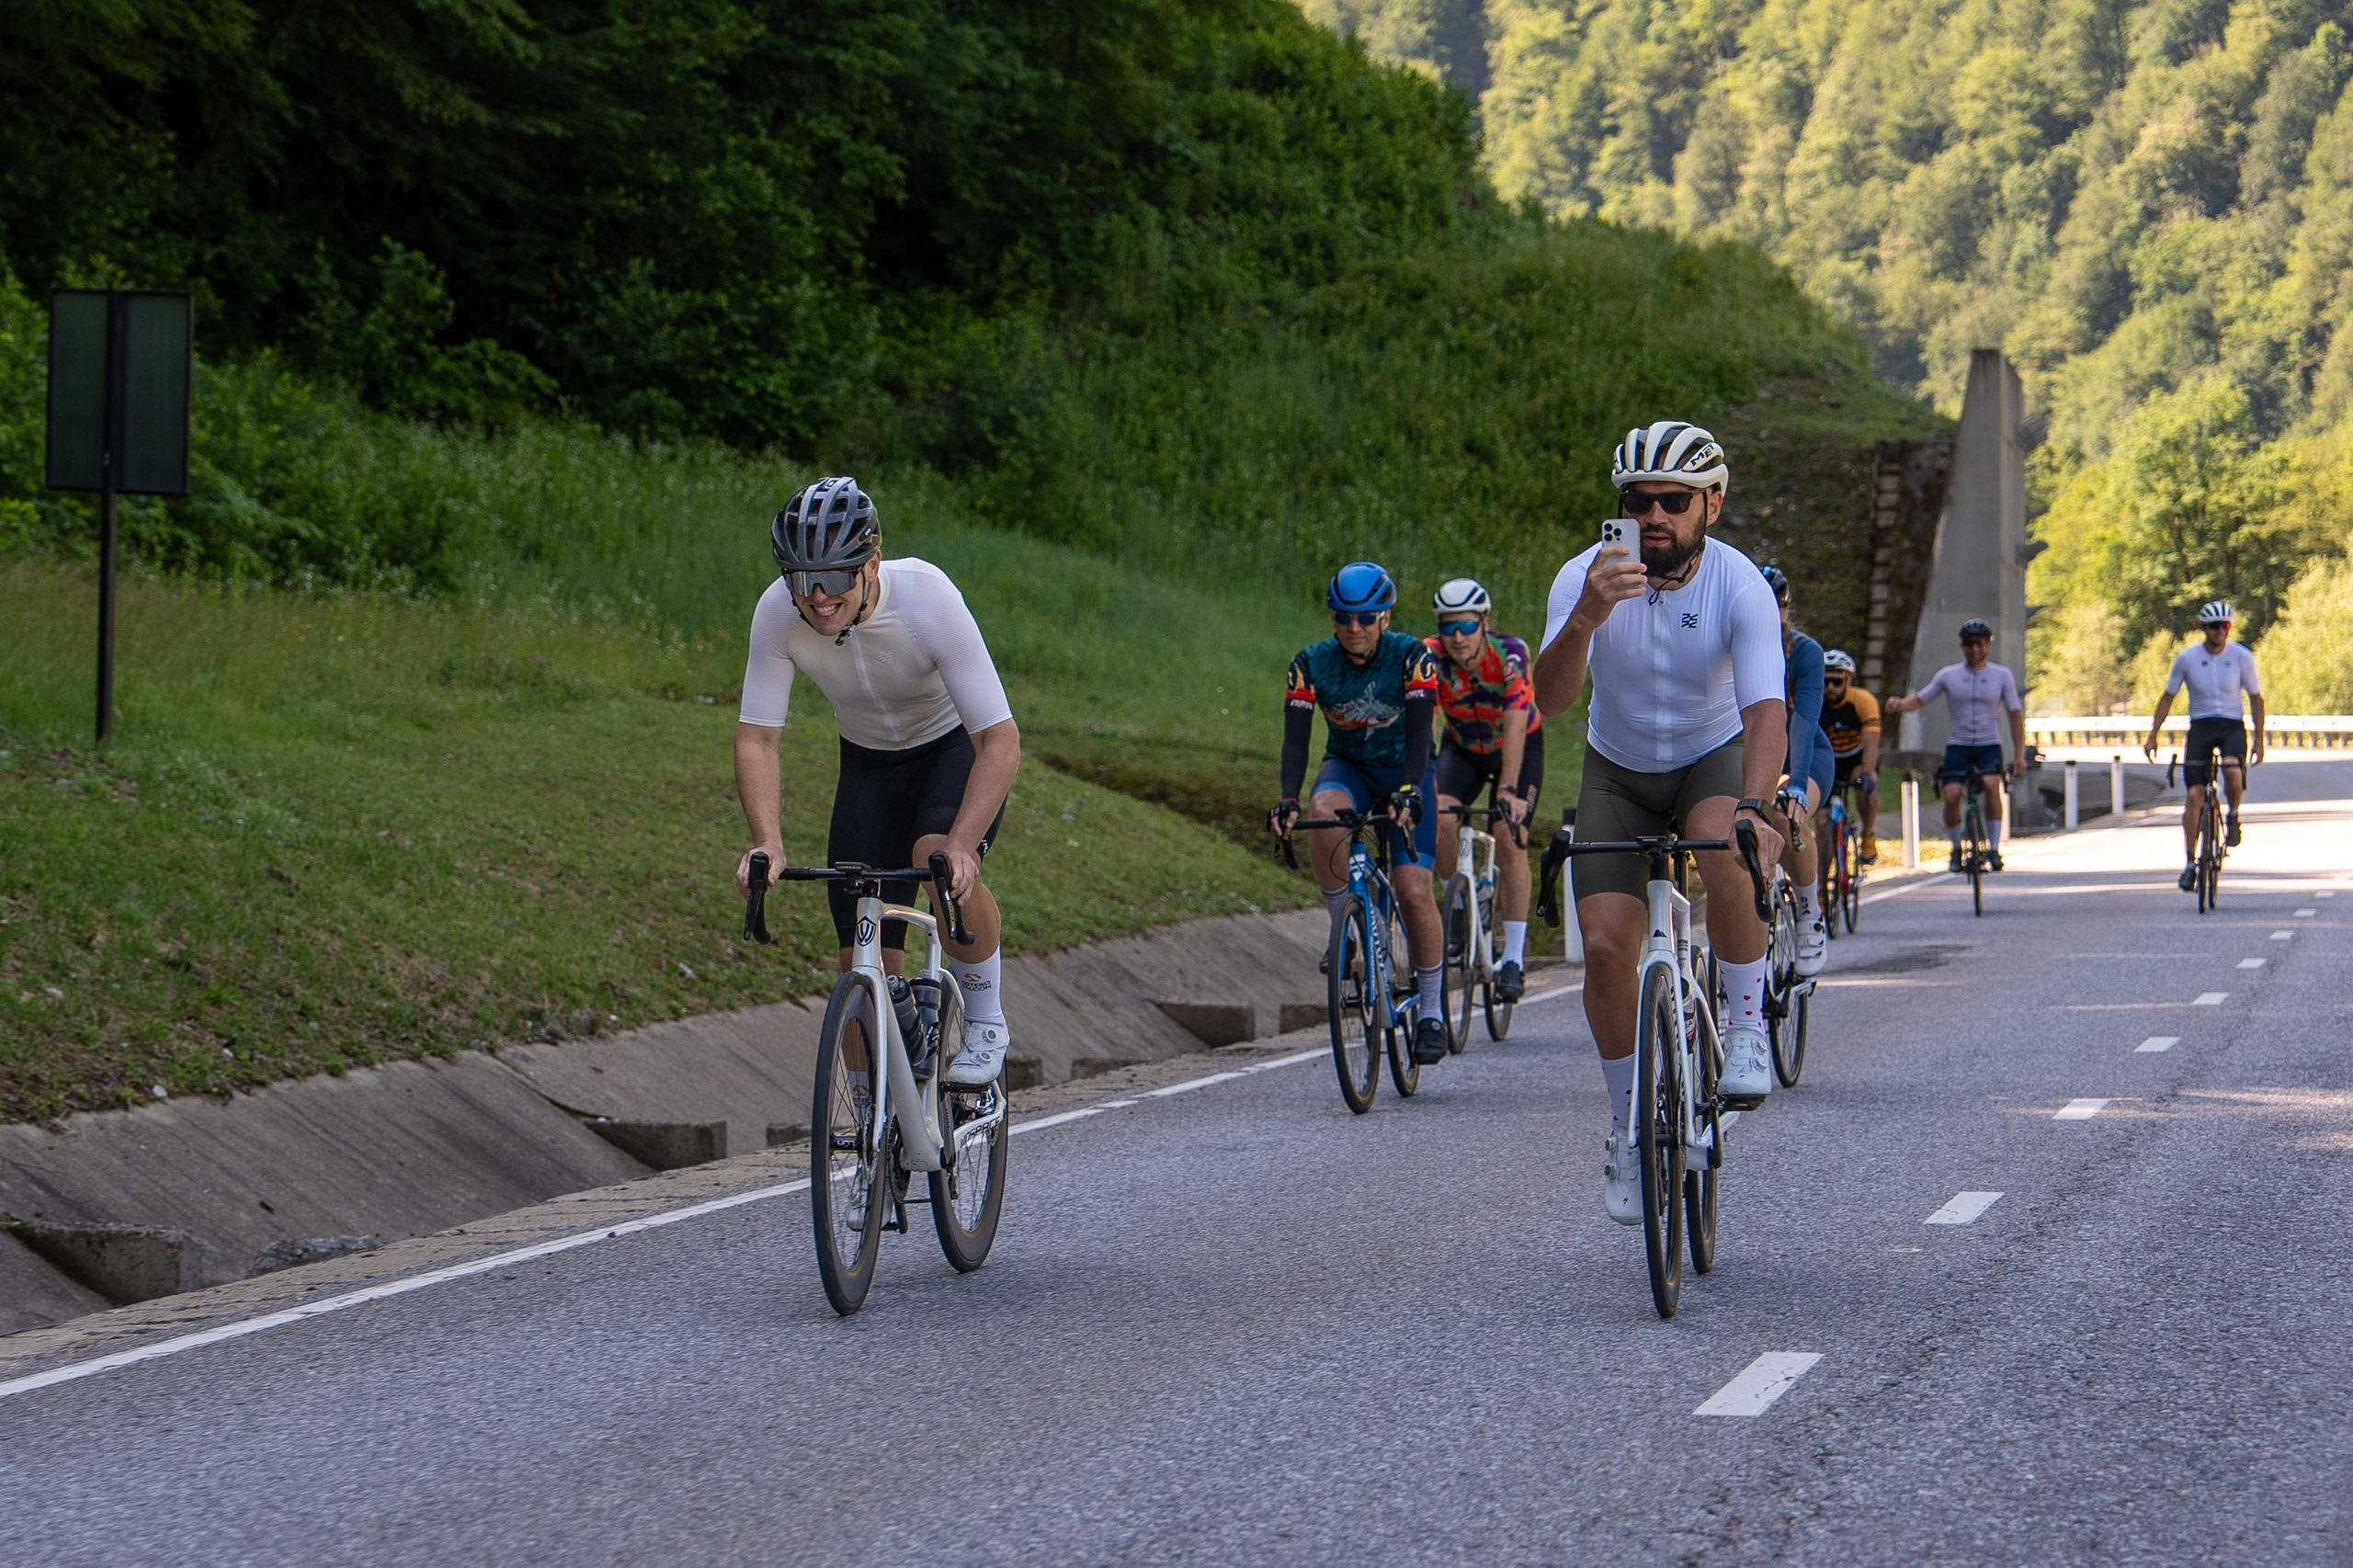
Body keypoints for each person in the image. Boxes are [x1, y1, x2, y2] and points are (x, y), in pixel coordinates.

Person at [1533, 420, 1787, 1226]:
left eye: (1673, 502)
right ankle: (1626, 1126)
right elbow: (1550, 702)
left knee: (1726, 842)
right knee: (1606, 948)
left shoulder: (1739, 584)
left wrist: (1755, 804)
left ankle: (1746, 1028)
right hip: (1617, 768)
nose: (1653, 517)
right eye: (1637, 501)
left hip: (1710, 759)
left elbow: (1766, 708)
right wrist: (1584, 620)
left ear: (1712, 504)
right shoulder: (1584, 576)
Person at [733, 476, 1021, 1087]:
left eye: (834, 578)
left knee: (937, 859)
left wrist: (965, 845)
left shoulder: (926, 598)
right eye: (800, 579)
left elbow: (999, 741)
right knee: (860, 966)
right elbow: (758, 738)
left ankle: (987, 1020)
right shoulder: (777, 613)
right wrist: (768, 842)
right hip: (868, 767)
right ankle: (873, 1129)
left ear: (872, 564)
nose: (817, 599)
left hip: (951, 753)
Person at [1271, 562, 1451, 1065]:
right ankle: (1345, 930)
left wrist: (1412, 791)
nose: (1354, 628)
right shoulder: (1309, 664)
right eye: (1343, 618)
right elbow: (1295, 742)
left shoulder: (1413, 656)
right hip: (1348, 766)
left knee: (1414, 889)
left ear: (1386, 617)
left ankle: (1433, 1010)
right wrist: (1287, 800)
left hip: (1405, 768)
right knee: (1322, 811)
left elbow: (1420, 735)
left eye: (1366, 618)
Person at [1425, 577, 1541, 1004]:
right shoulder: (1431, 657)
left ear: (1485, 624)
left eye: (1467, 627)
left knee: (1511, 835)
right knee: (1435, 815)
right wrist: (1420, 781)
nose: (1457, 638)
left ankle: (1513, 958)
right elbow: (1427, 720)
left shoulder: (1510, 654)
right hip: (1462, 748)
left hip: (1517, 747)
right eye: (1448, 627)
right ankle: (1458, 909)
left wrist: (1508, 790)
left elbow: (1516, 719)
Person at [1887, 619, 2025, 872]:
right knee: (1951, 795)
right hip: (1959, 745)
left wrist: (2019, 755)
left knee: (1992, 784)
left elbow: (2015, 713)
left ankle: (1993, 849)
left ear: (1989, 645)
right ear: (1962, 646)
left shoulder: (2002, 675)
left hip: (1988, 744)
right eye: (1969, 644)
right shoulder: (1949, 675)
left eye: (1979, 644)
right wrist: (1899, 704)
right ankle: (1956, 848)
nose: (1974, 650)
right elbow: (1920, 700)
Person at [2144, 600, 2266, 888]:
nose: (2219, 632)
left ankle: (2233, 815)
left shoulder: (2241, 657)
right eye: (2214, 627)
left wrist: (2260, 739)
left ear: (2229, 628)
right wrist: (2153, 734)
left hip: (2231, 726)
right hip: (2201, 725)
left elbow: (2256, 698)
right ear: (2203, 628)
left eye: (2225, 626)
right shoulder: (2187, 659)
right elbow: (2168, 697)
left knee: (2233, 769)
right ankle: (2189, 863)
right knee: (2194, 795)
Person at [1762, 566, 1831, 978]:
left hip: (1803, 754)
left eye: (1777, 611)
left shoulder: (1805, 653)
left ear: (1787, 612)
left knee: (1788, 817)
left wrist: (1799, 786)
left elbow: (1803, 722)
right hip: (1753, 752)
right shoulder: (1726, 647)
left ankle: (1810, 914)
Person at [1820, 649, 1881, 864]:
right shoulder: (1815, 701)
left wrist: (1866, 773)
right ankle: (1821, 881)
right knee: (1821, 822)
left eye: (1836, 682)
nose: (1830, 688)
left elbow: (1871, 743)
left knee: (1868, 786)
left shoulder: (1863, 701)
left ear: (1849, 680)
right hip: (1828, 760)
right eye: (1825, 681)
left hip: (1856, 757)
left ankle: (1867, 835)